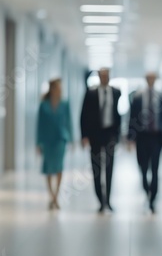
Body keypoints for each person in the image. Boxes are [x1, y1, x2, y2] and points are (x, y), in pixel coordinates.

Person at [128, 72, 162, 214]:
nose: (151, 80)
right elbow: (132, 119)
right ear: (145, 79)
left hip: (156, 137)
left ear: (156, 80)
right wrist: (130, 137)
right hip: (142, 137)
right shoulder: (137, 98)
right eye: (148, 78)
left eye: (153, 78)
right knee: (143, 167)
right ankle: (146, 188)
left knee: (155, 168)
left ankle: (153, 198)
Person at [80, 68, 122, 213]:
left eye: (107, 75)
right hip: (95, 135)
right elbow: (83, 114)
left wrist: (118, 135)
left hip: (110, 134)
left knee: (109, 168)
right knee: (97, 167)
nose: (105, 78)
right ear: (99, 77)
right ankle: (100, 200)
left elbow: (118, 114)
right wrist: (84, 135)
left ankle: (108, 201)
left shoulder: (116, 92)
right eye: (102, 75)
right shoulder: (91, 93)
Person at [36, 78, 73, 210]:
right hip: (47, 140)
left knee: (58, 167)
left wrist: (71, 139)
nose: (60, 90)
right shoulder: (43, 105)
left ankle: (56, 196)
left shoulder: (65, 104)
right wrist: (38, 143)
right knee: (48, 168)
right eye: (58, 88)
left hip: (60, 139)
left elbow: (69, 122)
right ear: (52, 89)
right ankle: (51, 195)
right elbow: (39, 125)